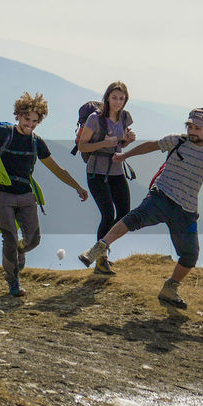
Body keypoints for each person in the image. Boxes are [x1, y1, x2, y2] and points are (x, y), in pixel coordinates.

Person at [78, 108, 203, 308]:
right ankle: (99, 248)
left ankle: (170, 288)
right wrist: (125, 155)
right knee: (134, 218)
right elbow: (152, 146)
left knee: (190, 256)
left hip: (186, 210)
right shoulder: (177, 141)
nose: (193, 130)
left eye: (198, 127)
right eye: (190, 126)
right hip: (161, 195)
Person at [0, 92, 89, 297]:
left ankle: (20, 251)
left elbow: (57, 169)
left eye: (35, 121)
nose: (31, 125)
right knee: (9, 237)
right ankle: (13, 281)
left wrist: (77, 187)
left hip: (26, 194)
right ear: (18, 115)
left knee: (33, 240)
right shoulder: (2, 133)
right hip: (1, 193)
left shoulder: (37, 142)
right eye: (27, 119)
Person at [74, 81, 136, 275]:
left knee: (125, 213)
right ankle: (101, 260)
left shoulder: (125, 117)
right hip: (96, 173)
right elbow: (83, 147)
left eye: (121, 98)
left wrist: (127, 140)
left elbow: (119, 145)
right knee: (108, 214)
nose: (118, 102)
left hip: (116, 171)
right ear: (107, 97)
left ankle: (100, 251)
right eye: (114, 97)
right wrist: (102, 143)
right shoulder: (94, 119)